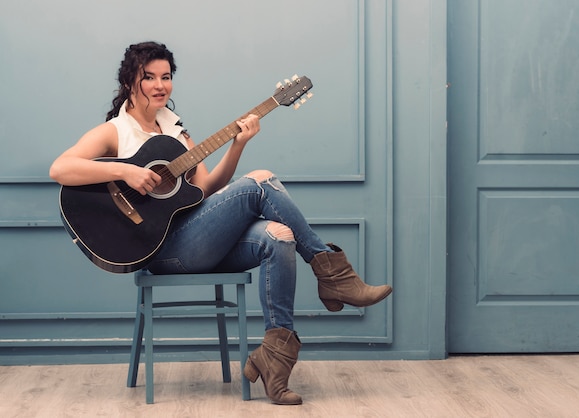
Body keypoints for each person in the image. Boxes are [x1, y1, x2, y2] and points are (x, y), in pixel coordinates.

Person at [49, 41, 392, 405]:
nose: (159, 85)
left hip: (197, 239)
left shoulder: (175, 132)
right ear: (130, 81)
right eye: (149, 77)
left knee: (280, 236)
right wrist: (126, 171)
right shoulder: (116, 131)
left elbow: (205, 190)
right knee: (261, 179)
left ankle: (275, 362)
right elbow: (60, 169)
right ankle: (333, 275)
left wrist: (237, 146)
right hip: (161, 249)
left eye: (166, 77)